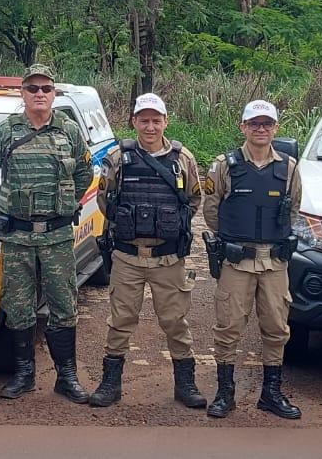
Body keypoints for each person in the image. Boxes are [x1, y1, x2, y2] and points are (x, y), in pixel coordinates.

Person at [0, 63, 94, 403]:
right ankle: (24, 374)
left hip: (56, 236)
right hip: (18, 237)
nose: (39, 94)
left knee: (63, 304)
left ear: (54, 93)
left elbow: (85, 172)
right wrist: (9, 206)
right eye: (32, 89)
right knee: (18, 306)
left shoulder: (69, 131)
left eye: (45, 89)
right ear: (22, 93)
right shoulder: (5, 131)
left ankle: (66, 376)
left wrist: (65, 201)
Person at [89, 93, 205, 410]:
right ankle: (110, 384)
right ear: (134, 122)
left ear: (165, 121)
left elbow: (194, 202)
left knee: (175, 321)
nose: (150, 126)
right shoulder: (118, 158)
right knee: (120, 321)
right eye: (144, 120)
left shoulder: (183, 160)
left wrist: (166, 227)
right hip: (127, 256)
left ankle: (185, 384)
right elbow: (105, 201)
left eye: (156, 120)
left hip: (168, 258)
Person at [203, 99, 302, 421]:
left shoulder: (288, 167)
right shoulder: (224, 165)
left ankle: (271, 394)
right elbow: (211, 210)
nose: (261, 129)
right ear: (242, 127)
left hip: (274, 263)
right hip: (237, 261)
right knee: (228, 325)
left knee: (276, 327)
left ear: (275, 128)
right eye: (254, 124)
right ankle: (225, 392)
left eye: (267, 124)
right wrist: (232, 239)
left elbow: (293, 209)